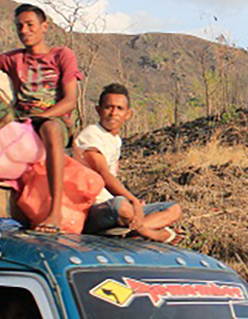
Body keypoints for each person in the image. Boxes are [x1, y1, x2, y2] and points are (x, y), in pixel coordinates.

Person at [0, 4, 82, 233]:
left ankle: (55, 212)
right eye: (19, 26)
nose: (24, 30)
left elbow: (70, 101)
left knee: (51, 129)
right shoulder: (13, 58)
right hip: (19, 119)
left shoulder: (62, 55)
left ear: (45, 26)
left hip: (52, 118)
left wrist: (41, 116)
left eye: (30, 25)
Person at [75, 84, 182, 243]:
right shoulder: (91, 135)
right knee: (121, 206)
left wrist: (136, 203)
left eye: (119, 108)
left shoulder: (115, 140)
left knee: (174, 209)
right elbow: (103, 174)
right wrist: (132, 200)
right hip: (95, 209)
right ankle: (148, 232)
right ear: (98, 110)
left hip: (116, 207)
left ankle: (133, 230)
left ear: (128, 114)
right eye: (108, 107)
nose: (113, 113)